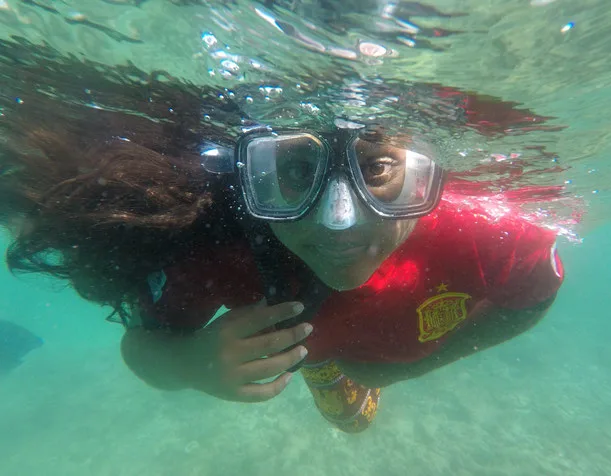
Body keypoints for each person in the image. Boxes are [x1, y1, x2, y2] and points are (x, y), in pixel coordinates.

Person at [0, 53, 564, 433]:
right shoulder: (215, 246)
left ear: (427, 172)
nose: (340, 221)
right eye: (295, 170)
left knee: (353, 416)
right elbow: (144, 347)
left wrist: (397, 370)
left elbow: (531, 303)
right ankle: (319, 365)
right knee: (347, 413)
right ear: (252, 176)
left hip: (393, 347)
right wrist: (190, 363)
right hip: (320, 344)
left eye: (377, 169)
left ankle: (328, 367)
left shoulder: (494, 228)